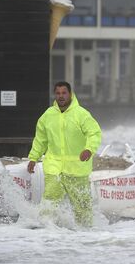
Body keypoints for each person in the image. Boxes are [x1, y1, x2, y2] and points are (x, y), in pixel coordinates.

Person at [27, 81, 102, 227]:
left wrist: (89, 149)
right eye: (58, 93)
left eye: (64, 93)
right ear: (54, 95)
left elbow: (94, 133)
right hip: (54, 168)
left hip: (77, 169)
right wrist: (33, 158)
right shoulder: (47, 115)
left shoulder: (81, 114)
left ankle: (86, 233)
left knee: (82, 206)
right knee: (49, 200)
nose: (61, 96)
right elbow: (40, 140)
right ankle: (45, 229)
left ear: (70, 94)